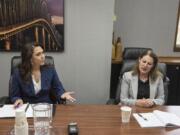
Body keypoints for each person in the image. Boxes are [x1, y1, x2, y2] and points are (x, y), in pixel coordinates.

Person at [10, 42, 76, 107]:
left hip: (46, 108)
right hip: (27, 109)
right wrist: (17, 100)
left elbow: (58, 88)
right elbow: (14, 95)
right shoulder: (17, 73)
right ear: (29, 58)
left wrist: (62, 94)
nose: (43, 56)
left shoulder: (50, 70)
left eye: (43, 53)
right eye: (38, 54)